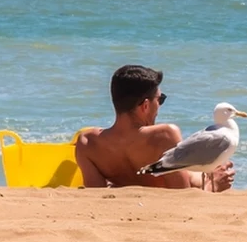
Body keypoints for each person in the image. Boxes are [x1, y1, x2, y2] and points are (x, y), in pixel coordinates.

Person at [75, 65, 235, 191]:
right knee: (212, 173)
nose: (159, 106)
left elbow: (95, 197)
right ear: (145, 106)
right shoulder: (164, 135)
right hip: (172, 194)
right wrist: (213, 186)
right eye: (160, 99)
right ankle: (209, 177)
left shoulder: (87, 142)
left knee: (200, 172)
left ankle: (207, 174)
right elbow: (183, 197)